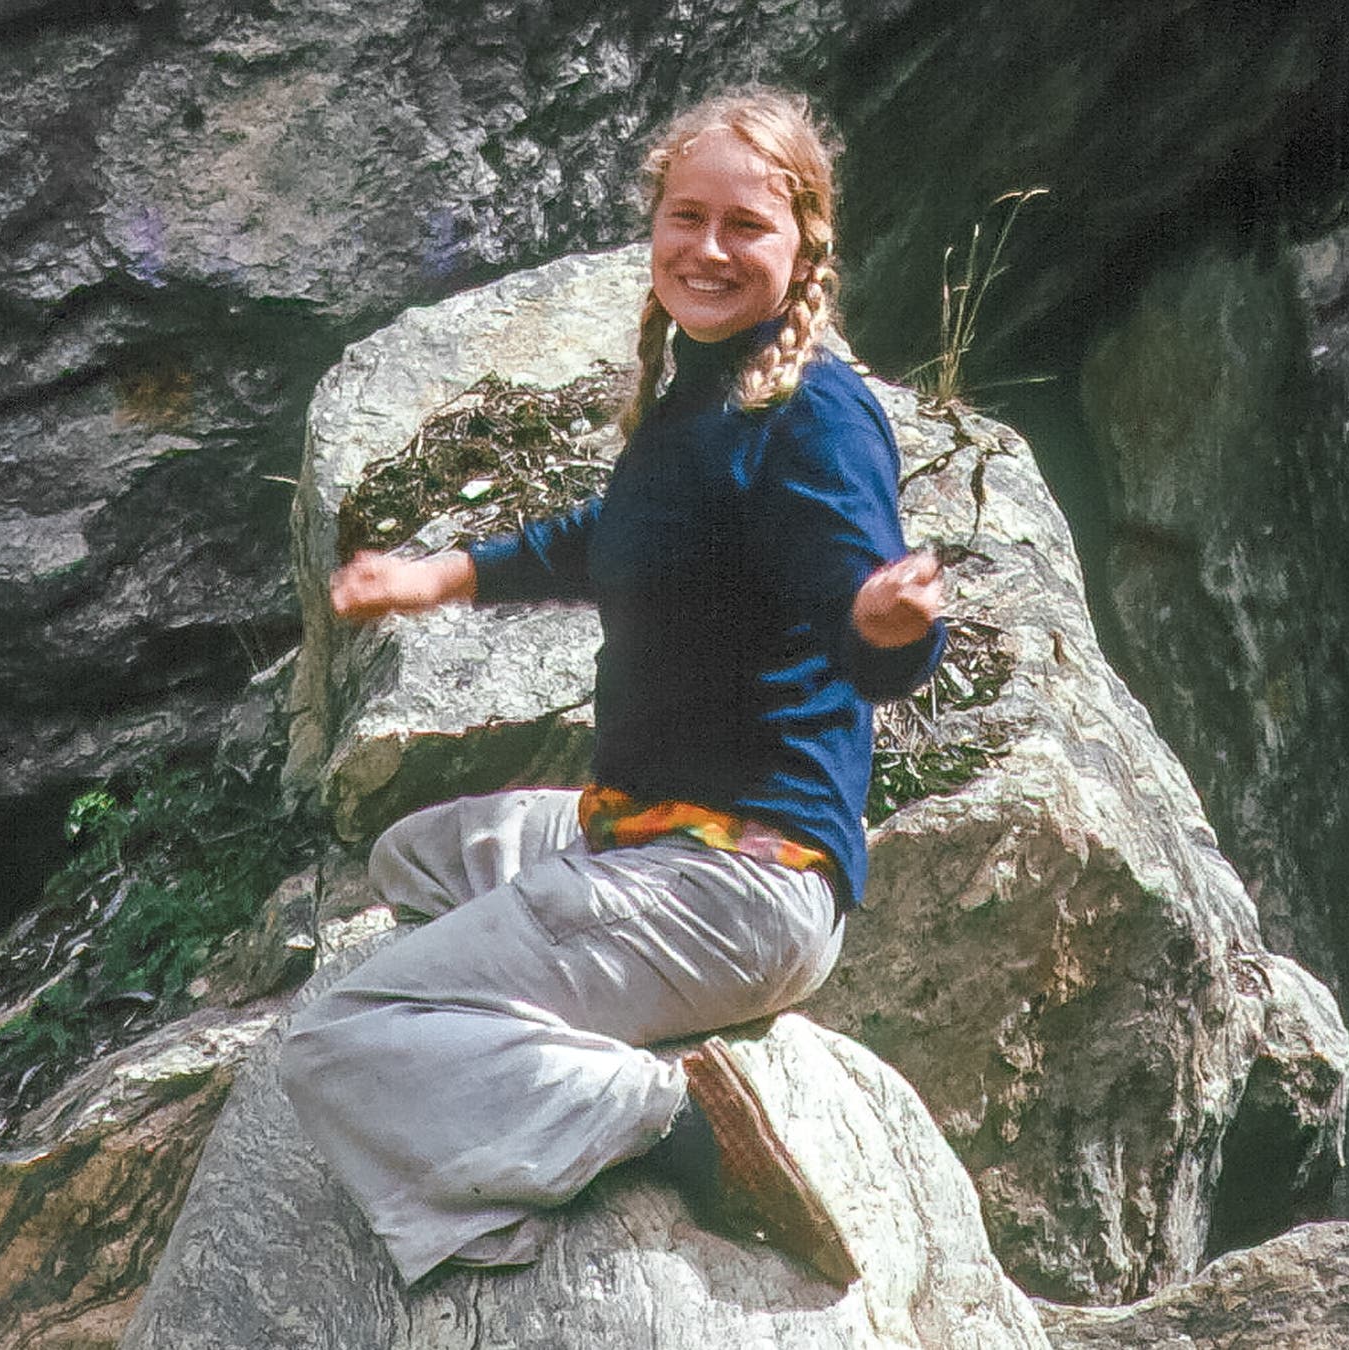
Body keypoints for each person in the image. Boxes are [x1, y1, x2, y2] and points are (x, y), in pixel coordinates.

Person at [280, 87, 947, 1289]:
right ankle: (531, 1024)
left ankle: (668, 1118)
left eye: (745, 226)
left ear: (804, 249)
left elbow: (862, 627)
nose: (706, 250)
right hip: (646, 837)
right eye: (684, 218)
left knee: (337, 1039)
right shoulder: (705, 389)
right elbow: (623, 536)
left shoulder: (811, 417)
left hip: (739, 886)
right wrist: (438, 577)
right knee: (417, 858)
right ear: (652, 230)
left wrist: (883, 624)